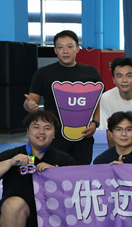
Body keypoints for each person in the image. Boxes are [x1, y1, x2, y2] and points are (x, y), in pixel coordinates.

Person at [24, 29, 102, 164]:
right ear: (55, 50)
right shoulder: (43, 73)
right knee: (53, 171)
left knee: (81, 171)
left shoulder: (91, 72)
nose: (65, 51)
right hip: (53, 135)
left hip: (83, 134)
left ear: (77, 48)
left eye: (70, 47)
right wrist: (29, 105)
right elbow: (31, 101)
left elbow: (99, 101)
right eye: (60, 47)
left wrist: (95, 123)